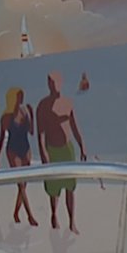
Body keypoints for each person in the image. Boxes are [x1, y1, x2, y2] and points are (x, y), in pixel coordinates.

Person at [36, 70, 86, 233]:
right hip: (53, 150)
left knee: (70, 187)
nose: (54, 85)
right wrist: (43, 153)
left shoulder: (68, 103)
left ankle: (72, 220)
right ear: (48, 84)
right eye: (51, 82)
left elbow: (74, 126)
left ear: (61, 83)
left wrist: (81, 146)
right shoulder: (43, 106)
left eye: (56, 82)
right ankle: (54, 214)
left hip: (67, 149)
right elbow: (40, 133)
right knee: (54, 188)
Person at [0, 87, 38, 226]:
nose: (22, 98)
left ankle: (15, 212)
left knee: (23, 185)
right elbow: (1, 138)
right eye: (19, 96)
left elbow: (31, 131)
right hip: (13, 149)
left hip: (25, 148)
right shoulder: (6, 117)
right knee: (21, 183)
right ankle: (30, 216)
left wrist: (32, 114)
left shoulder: (24, 111)